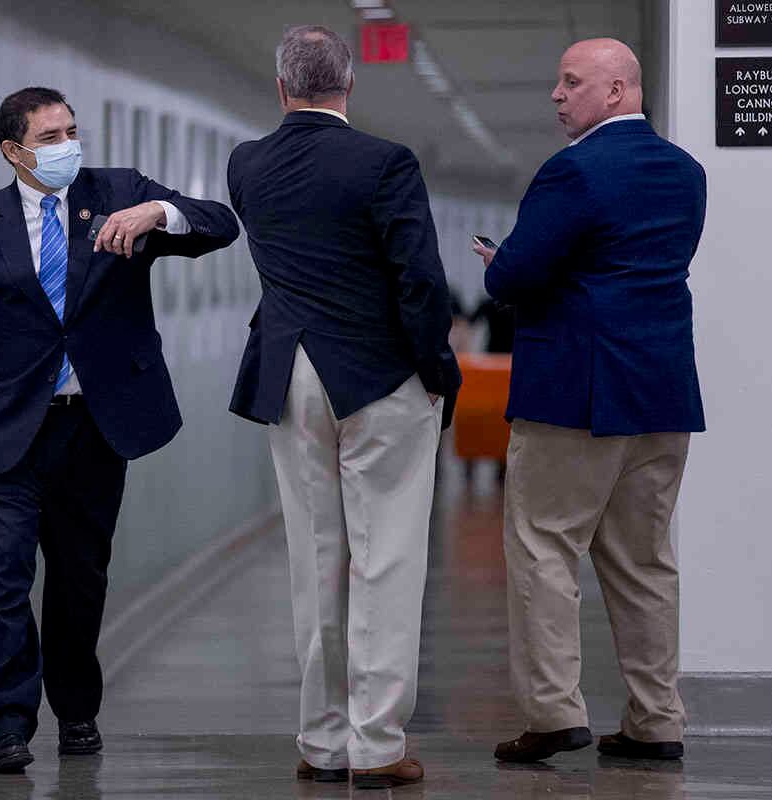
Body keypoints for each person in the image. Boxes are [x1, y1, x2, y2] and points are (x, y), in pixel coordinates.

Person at [0, 87, 238, 774]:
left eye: (71, 131)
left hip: (93, 427)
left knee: (78, 578)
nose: (66, 146)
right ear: (13, 151)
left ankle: (77, 707)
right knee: (2, 574)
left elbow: (219, 223)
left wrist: (159, 210)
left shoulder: (119, 192)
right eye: (50, 137)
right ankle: (4, 723)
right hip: (4, 431)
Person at [228, 25, 461, 790]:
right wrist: (437, 372)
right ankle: (377, 744)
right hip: (378, 378)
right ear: (349, 84)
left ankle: (323, 743)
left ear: (282, 87)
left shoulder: (247, 165)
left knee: (315, 559)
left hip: (289, 373)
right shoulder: (385, 163)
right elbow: (420, 281)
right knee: (386, 559)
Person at [473, 39, 706, 763]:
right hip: (662, 394)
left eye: (571, 82)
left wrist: (502, 262)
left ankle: (553, 713)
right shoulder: (685, 172)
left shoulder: (572, 173)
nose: (556, 94)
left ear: (617, 91)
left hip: (576, 395)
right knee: (645, 564)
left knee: (545, 546)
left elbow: (513, 279)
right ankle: (656, 719)